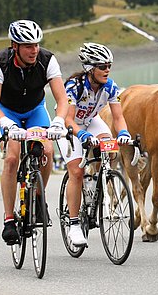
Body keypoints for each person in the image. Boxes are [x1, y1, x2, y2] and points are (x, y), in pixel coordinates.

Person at [0, 19, 68, 245]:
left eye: (36, 45)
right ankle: (9, 219)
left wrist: (59, 121)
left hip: (35, 111)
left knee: (48, 151)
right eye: (28, 46)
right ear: (15, 46)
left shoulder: (47, 60)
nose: (34, 50)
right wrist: (7, 124)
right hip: (8, 112)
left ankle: (38, 199)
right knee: (12, 158)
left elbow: (62, 99)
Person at [56, 42, 132, 247]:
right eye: (102, 66)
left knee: (112, 149)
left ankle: (96, 180)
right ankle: (73, 224)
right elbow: (69, 119)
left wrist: (124, 132)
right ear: (90, 68)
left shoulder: (110, 86)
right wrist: (80, 135)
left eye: (109, 65)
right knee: (76, 171)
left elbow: (118, 117)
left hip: (91, 121)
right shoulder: (75, 86)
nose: (107, 70)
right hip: (68, 125)